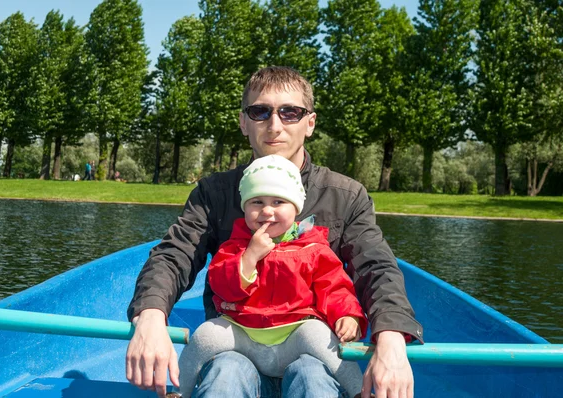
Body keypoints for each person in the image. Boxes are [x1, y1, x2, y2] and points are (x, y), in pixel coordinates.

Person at [126, 66, 424, 398]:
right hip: (234, 347)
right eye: (260, 111)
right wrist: (151, 316)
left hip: (312, 350)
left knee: (313, 379)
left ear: (310, 123)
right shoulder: (214, 193)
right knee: (225, 375)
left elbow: (376, 268)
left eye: (290, 112)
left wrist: (392, 336)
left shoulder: (345, 195)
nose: (274, 124)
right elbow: (174, 255)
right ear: (243, 122)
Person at [178, 154, 366, 398]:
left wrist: (348, 314)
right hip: (243, 334)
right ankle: (179, 391)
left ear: (295, 208)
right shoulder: (234, 247)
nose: (267, 211)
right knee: (205, 335)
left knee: (321, 336)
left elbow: (335, 287)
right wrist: (249, 258)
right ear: (244, 207)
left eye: (278, 202)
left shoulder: (313, 248)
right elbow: (221, 286)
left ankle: (358, 391)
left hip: (296, 335)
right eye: (257, 202)